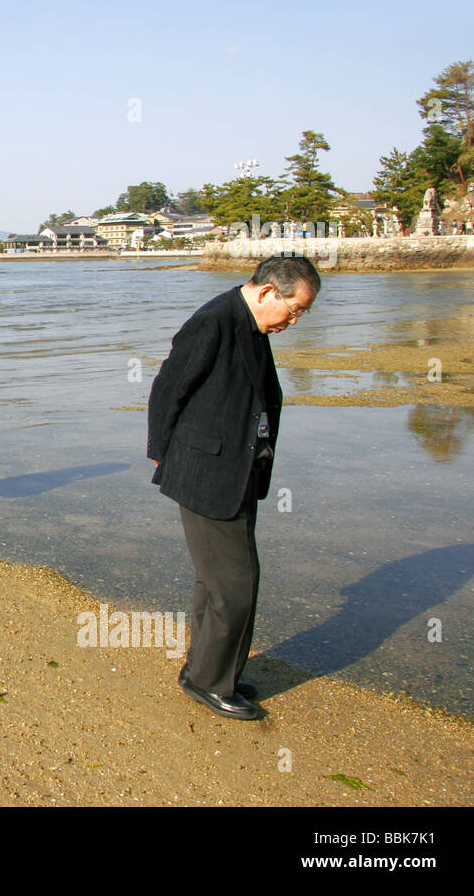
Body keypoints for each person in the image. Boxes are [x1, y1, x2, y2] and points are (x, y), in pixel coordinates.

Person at [146, 253, 321, 720]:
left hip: (235, 468)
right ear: (267, 292)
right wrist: (161, 451)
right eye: (295, 309)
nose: (295, 319)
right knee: (237, 584)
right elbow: (169, 386)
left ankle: (204, 670)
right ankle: (209, 683)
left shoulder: (252, 323)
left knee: (216, 582)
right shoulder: (215, 320)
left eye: (302, 312)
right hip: (206, 470)